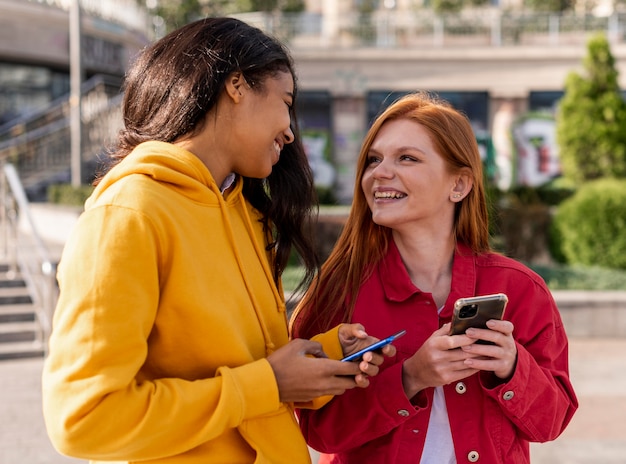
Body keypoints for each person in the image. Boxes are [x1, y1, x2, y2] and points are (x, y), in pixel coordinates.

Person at [42, 17, 394, 464]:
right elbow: (83, 419)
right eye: (286, 102)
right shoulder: (129, 214)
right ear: (236, 85)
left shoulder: (244, 212)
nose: (290, 130)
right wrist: (268, 383)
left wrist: (319, 357)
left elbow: (242, 371)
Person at [290, 92, 578, 463]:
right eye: (374, 160)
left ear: (459, 185)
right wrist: (410, 378)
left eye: (406, 158)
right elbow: (318, 431)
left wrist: (511, 367)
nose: (380, 173)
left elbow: (551, 423)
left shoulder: (520, 289)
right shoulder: (338, 293)